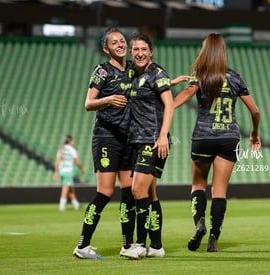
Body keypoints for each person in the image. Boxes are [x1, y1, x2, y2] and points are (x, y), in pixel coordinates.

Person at [174, 33, 261, 252]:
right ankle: (213, 239)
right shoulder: (234, 77)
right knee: (219, 191)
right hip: (229, 138)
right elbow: (255, 111)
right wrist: (254, 133)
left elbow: (183, 96)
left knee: (198, 186)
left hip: (203, 137)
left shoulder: (200, 76)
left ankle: (199, 224)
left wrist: (167, 107)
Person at [72, 26, 137, 259]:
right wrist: (109, 99)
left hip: (128, 138)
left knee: (128, 192)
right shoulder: (102, 71)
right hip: (106, 137)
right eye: (115, 42)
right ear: (106, 48)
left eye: (122, 40)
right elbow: (89, 103)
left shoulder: (132, 69)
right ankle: (82, 245)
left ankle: (128, 246)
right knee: (106, 192)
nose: (121, 44)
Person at [121, 33, 176, 259]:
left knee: (137, 190)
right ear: (131, 53)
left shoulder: (157, 73)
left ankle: (140, 244)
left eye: (144, 49)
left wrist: (163, 135)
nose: (140, 53)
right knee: (150, 194)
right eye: (136, 50)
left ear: (151, 52)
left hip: (152, 140)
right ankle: (156, 246)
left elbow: (169, 104)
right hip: (135, 140)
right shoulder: (134, 73)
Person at [53, 135, 85, 211]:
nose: (73, 142)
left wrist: (56, 172)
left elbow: (57, 161)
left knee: (70, 188)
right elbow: (77, 161)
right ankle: (62, 205)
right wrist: (82, 168)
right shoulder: (71, 150)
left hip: (61, 171)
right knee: (66, 187)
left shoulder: (61, 149)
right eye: (73, 141)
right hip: (68, 171)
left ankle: (76, 204)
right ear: (70, 141)